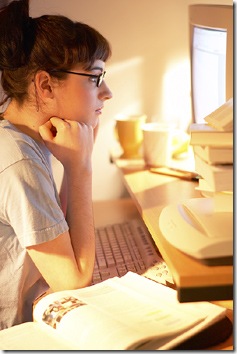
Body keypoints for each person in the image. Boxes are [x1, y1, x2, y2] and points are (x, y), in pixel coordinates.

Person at [0, 0, 112, 329]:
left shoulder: (25, 141)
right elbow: (73, 280)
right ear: (45, 85)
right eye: (95, 77)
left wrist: (76, 161)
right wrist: (82, 169)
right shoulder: (18, 162)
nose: (107, 92)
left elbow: (59, 232)